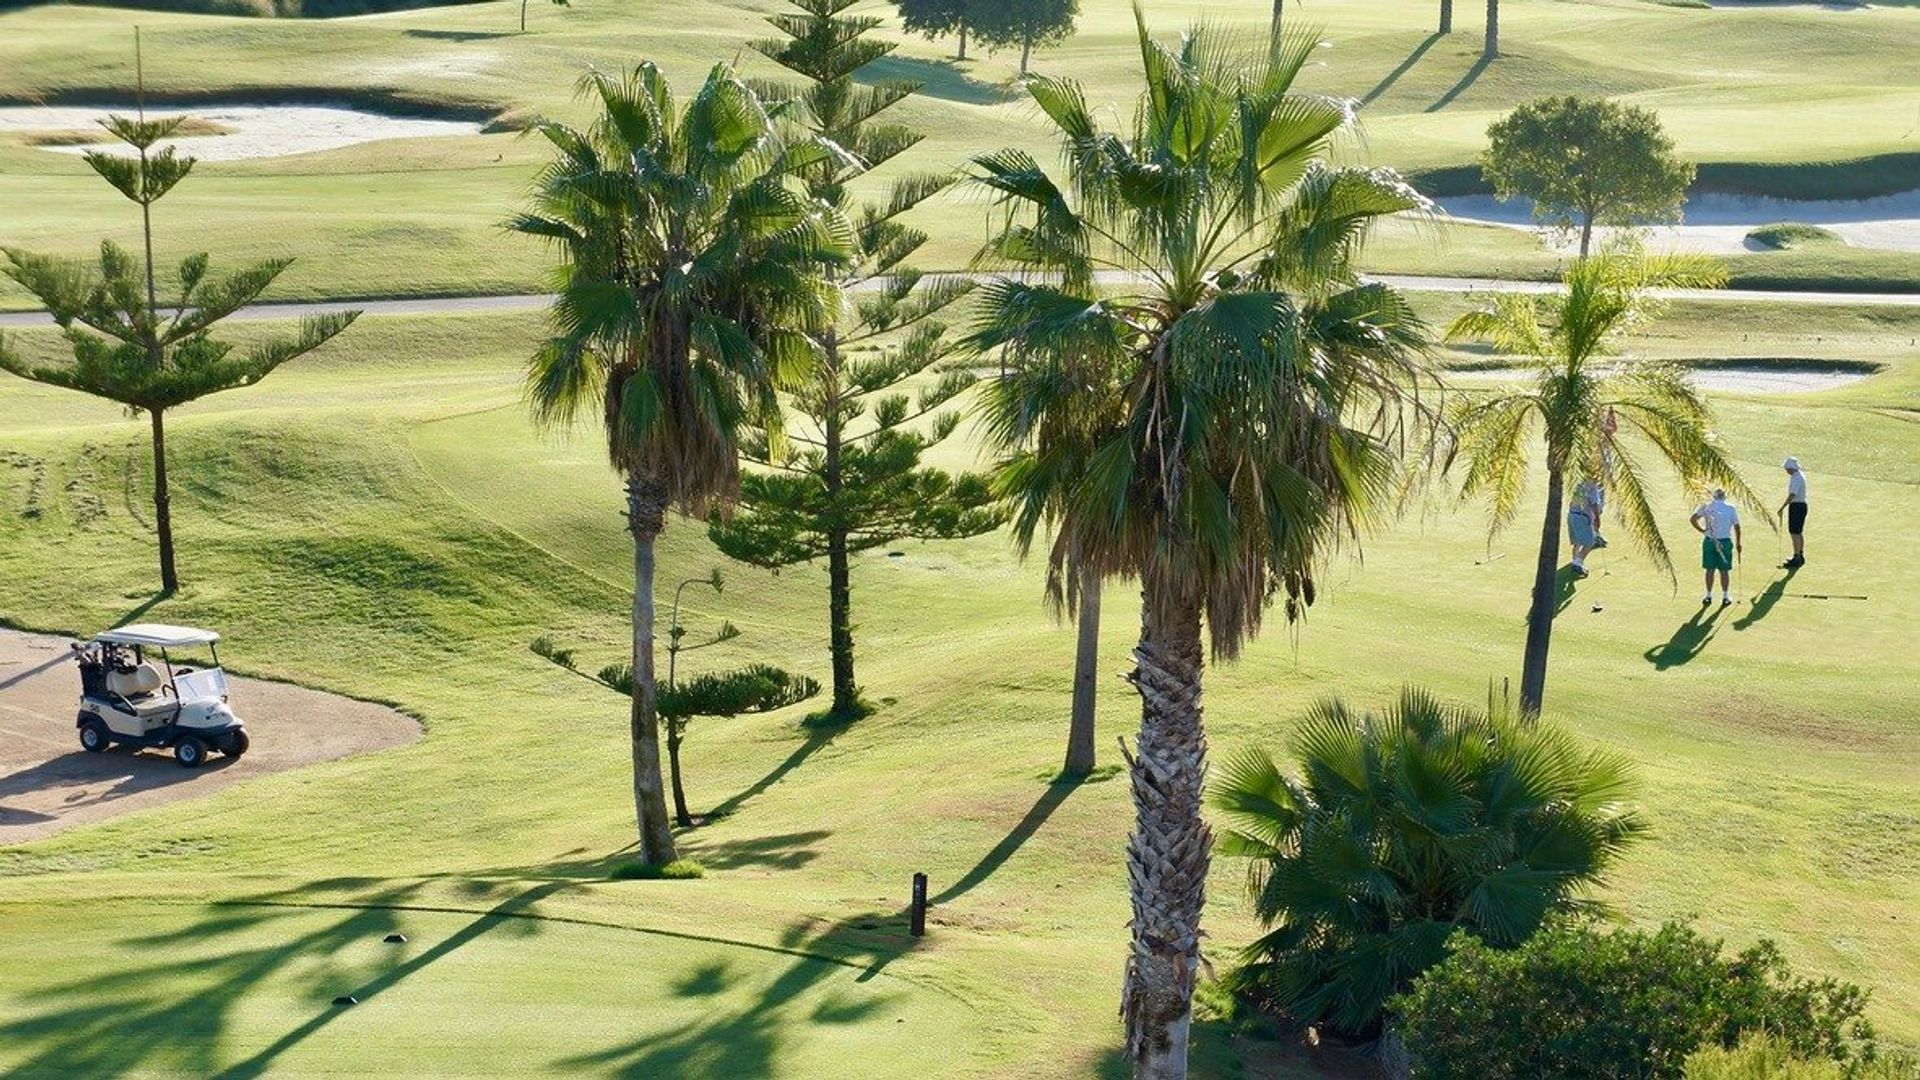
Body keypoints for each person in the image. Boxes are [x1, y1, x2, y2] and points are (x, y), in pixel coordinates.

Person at [1690, 488, 1742, 606]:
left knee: (1710, 569)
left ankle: (1708, 595)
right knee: (1724, 570)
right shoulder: (1730, 508)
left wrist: (1702, 531)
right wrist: (1738, 543)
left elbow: (1693, 519)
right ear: (1724, 497)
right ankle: (1725, 596)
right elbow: (1737, 527)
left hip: (1709, 541)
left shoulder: (1706, 507)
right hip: (1725, 542)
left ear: (1714, 497)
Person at [1567, 477, 1606, 578]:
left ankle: (1575, 561)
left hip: (1571, 515)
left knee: (1577, 542)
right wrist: (1597, 519)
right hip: (1582, 517)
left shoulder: (1579, 485)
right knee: (1590, 542)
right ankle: (1577, 563)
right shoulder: (1593, 489)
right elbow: (1595, 505)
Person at [1778, 457, 1808, 568]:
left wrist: (1782, 507)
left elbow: (1792, 495)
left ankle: (1797, 557)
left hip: (1797, 506)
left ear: (1791, 468)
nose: (1786, 471)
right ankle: (1800, 555)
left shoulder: (1796, 478)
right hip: (1801, 505)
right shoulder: (1799, 475)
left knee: (1794, 533)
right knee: (1798, 532)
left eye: (1787, 469)